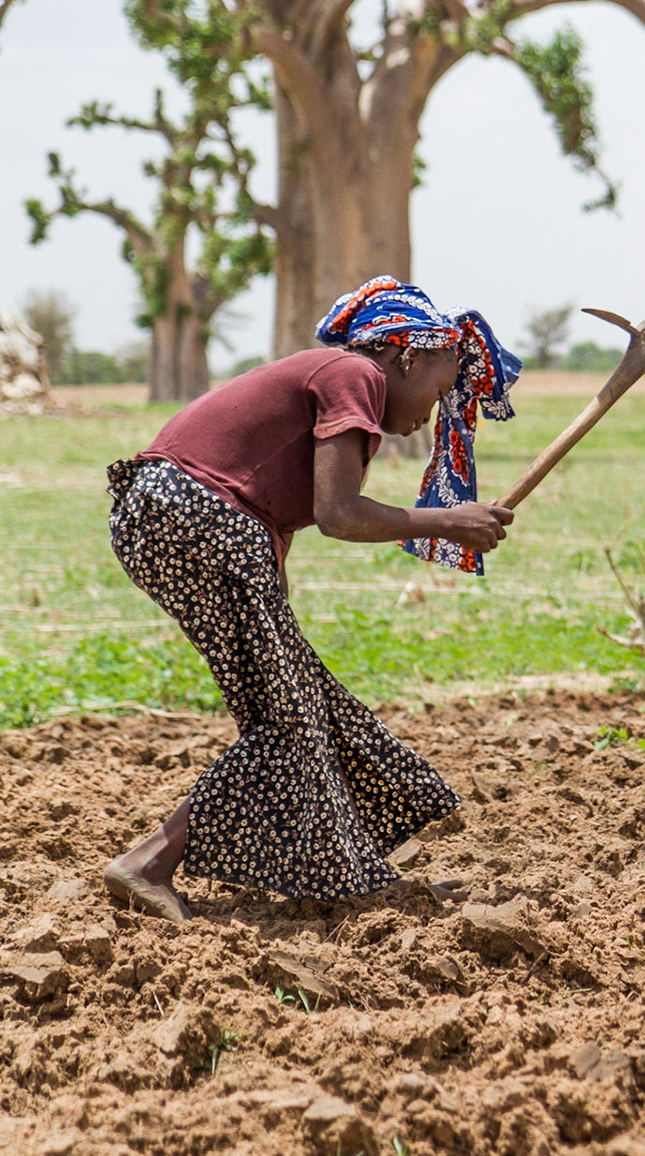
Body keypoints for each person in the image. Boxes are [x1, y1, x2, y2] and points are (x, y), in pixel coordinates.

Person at [101, 276, 521, 922]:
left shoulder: (338, 380)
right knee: (290, 720)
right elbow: (340, 514)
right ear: (407, 355)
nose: (431, 416)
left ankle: (354, 876)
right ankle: (146, 863)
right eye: (439, 391)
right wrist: (446, 520)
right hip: (199, 517)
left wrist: (276, 599)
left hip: (172, 517)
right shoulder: (356, 375)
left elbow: (279, 510)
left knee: (305, 709)